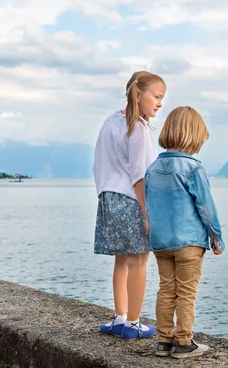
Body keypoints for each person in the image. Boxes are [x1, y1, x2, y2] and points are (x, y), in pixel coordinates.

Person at [144, 106, 225, 358]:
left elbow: (148, 205)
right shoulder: (193, 168)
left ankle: (163, 341)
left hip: (161, 242)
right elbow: (206, 207)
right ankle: (183, 342)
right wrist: (216, 237)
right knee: (187, 292)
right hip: (189, 242)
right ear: (194, 136)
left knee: (166, 289)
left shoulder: (152, 169)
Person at [93, 71, 166, 339]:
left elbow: (97, 164)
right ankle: (134, 323)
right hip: (132, 198)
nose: (159, 103)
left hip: (108, 196)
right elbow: (139, 174)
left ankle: (120, 318)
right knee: (139, 262)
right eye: (156, 97)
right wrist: (149, 213)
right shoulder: (138, 128)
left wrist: (104, 194)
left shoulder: (110, 122)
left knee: (121, 261)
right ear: (138, 94)